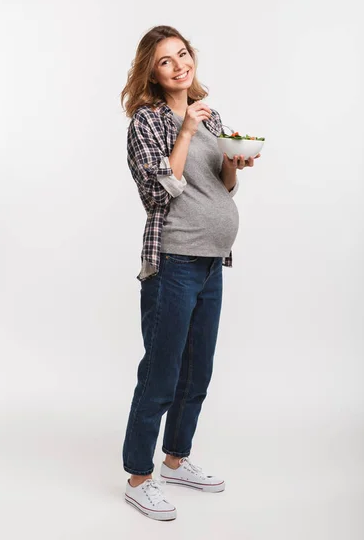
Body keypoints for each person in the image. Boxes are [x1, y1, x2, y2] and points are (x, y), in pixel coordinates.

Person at [120, 25, 260, 521]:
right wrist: (184, 131)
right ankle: (139, 475)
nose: (180, 65)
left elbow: (221, 188)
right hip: (173, 262)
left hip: (210, 261)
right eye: (165, 60)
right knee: (161, 373)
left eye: (183, 54)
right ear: (151, 73)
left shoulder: (210, 116)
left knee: (198, 371)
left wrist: (234, 163)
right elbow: (161, 190)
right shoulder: (146, 122)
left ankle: (176, 459)